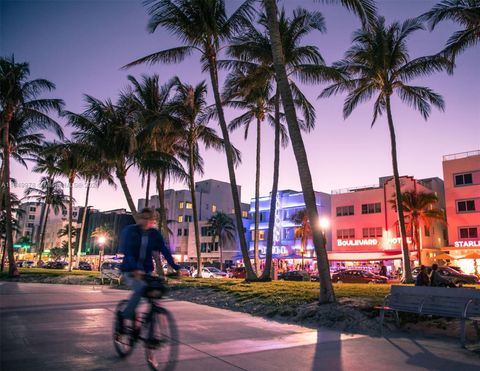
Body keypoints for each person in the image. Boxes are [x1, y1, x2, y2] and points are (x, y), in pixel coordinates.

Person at [117, 208, 180, 331]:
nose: (147, 221)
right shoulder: (130, 231)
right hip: (129, 271)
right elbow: (127, 251)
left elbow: (164, 250)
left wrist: (176, 267)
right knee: (140, 288)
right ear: (139, 219)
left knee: (156, 291)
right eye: (144, 218)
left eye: (150, 219)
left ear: (153, 221)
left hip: (146, 271)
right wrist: (134, 269)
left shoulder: (154, 234)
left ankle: (150, 326)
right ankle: (124, 316)